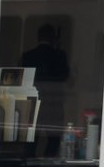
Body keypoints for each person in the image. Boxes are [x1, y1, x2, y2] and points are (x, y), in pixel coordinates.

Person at [20, 24, 70, 156]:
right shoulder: (59, 55)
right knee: (54, 139)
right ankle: (47, 162)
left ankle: (29, 163)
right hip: (53, 103)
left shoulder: (27, 56)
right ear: (53, 38)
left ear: (38, 38)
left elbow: (22, 79)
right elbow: (64, 76)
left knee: (31, 140)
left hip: (32, 101)